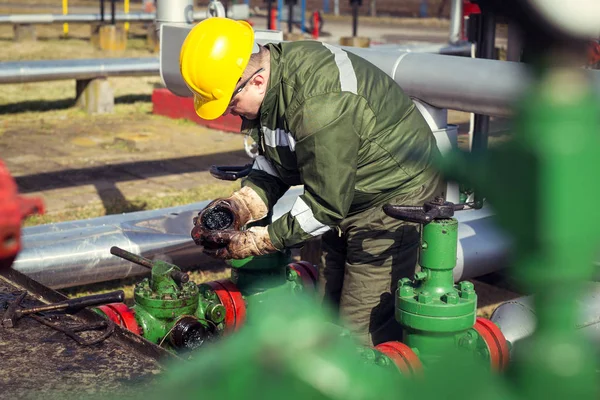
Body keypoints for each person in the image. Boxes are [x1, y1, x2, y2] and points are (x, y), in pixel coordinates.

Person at [181, 17, 444, 346]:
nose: (229, 112)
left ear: (257, 82)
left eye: (230, 103)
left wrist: (258, 241)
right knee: (326, 309)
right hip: (344, 191)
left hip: (393, 195)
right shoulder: (273, 86)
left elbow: (325, 207)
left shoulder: (318, 104)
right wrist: (240, 206)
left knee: (360, 329)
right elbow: (275, 164)